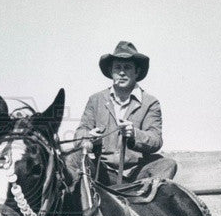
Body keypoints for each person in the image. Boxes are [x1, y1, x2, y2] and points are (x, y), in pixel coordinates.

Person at [75, 41, 177, 184]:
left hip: (137, 173)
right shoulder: (96, 100)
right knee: (71, 161)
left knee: (167, 164)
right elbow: (79, 134)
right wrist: (89, 138)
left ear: (137, 72)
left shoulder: (150, 102)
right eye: (117, 68)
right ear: (111, 72)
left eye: (127, 68)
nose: (122, 72)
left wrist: (134, 134)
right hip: (102, 170)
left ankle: (138, 200)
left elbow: (156, 140)